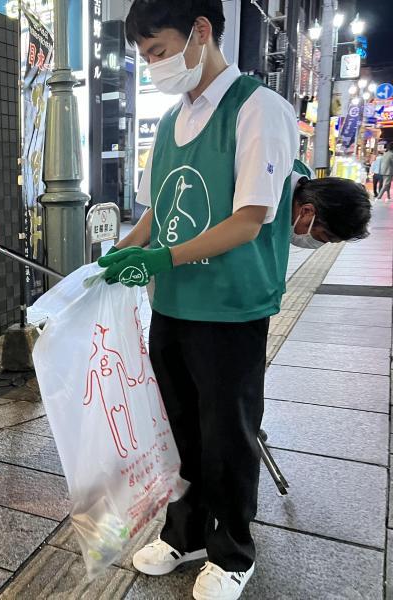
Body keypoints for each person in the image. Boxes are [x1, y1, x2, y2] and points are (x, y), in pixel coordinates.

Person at [102, 2, 300, 598]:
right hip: (175, 306)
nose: (153, 66)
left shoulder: (259, 109)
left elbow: (249, 219)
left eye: (159, 51)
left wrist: (160, 257)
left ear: (201, 32)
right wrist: (124, 250)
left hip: (231, 308)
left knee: (229, 434)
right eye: (144, 57)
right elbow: (157, 212)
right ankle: (184, 533)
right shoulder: (169, 122)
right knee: (177, 430)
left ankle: (234, 551)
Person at [290, 159, 371, 247]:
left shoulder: (310, 184)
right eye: (319, 237)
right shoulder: (275, 194)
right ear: (307, 211)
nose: (316, 242)